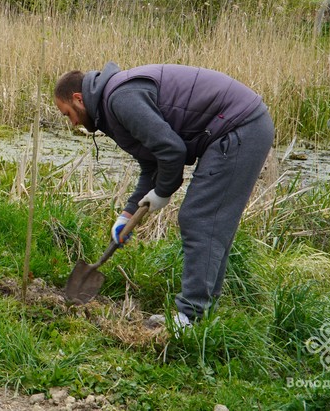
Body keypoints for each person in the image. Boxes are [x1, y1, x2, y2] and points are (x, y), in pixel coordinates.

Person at [52, 62, 274, 330]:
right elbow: (152, 163)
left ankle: (190, 317)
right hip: (235, 127)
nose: (73, 123)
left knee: (200, 218)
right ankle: (201, 316)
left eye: (68, 114)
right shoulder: (110, 108)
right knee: (209, 222)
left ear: (78, 99)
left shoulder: (120, 99)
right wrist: (128, 214)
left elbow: (172, 150)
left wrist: (162, 192)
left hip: (241, 126)